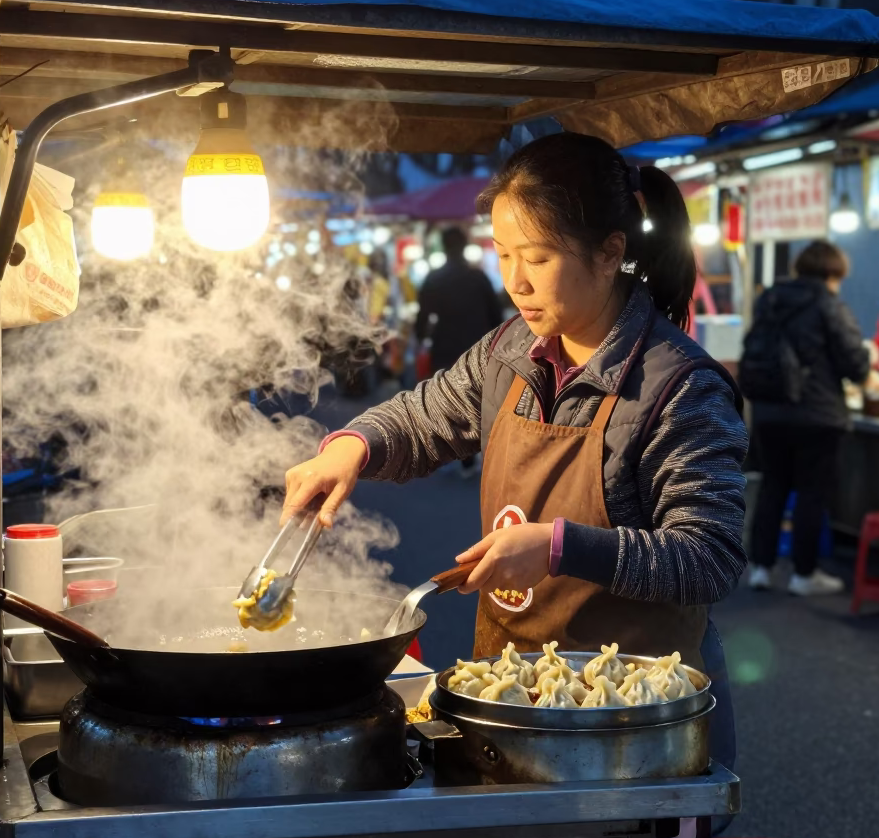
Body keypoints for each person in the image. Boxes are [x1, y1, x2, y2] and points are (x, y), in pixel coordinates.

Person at [282, 133, 746, 792]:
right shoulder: (509, 352)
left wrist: (559, 547)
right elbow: (422, 416)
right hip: (510, 702)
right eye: (502, 254)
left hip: (633, 725)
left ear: (609, 252)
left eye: (538, 257)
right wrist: (350, 448)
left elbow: (709, 558)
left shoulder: (679, 387)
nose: (516, 281)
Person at [745, 241, 869, 596]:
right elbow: (854, 362)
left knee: (773, 486)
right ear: (833, 273)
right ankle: (804, 574)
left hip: (768, 411)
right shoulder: (827, 304)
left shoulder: (770, 299)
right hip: (817, 414)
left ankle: (761, 568)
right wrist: (864, 362)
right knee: (811, 493)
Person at [415, 225, 502, 476]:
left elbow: (423, 316)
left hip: (445, 345)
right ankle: (477, 453)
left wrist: (421, 339)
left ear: (444, 247)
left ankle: (459, 452)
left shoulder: (434, 278)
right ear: (464, 246)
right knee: (480, 399)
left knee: (449, 399)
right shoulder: (478, 277)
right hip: (478, 346)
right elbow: (496, 315)